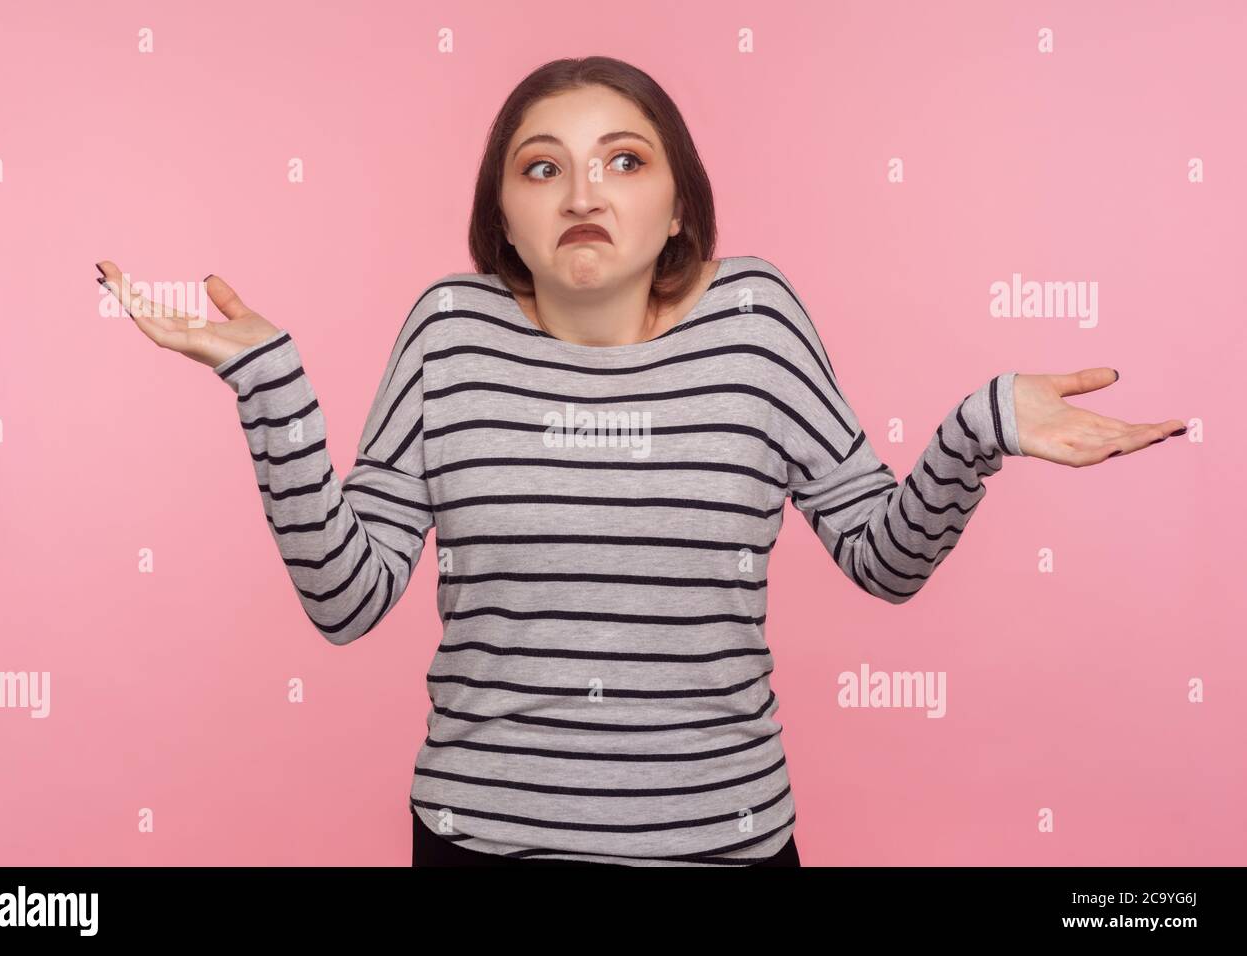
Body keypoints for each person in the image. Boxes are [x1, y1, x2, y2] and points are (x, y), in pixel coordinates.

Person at [96, 57, 1184, 868]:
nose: (583, 192)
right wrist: (265, 382)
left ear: (676, 212)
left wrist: (979, 425)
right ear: (506, 223)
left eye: (624, 160)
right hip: (480, 844)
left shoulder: (756, 320)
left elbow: (881, 557)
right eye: (541, 168)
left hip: (726, 842)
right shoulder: (450, 330)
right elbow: (346, 599)